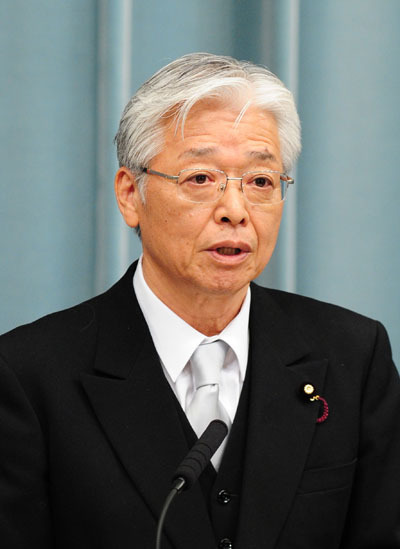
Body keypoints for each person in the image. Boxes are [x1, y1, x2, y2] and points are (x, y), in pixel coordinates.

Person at [0, 52, 399, 549]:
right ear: (130, 194)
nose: (235, 210)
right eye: (200, 179)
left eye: (260, 182)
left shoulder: (354, 358)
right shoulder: (28, 375)